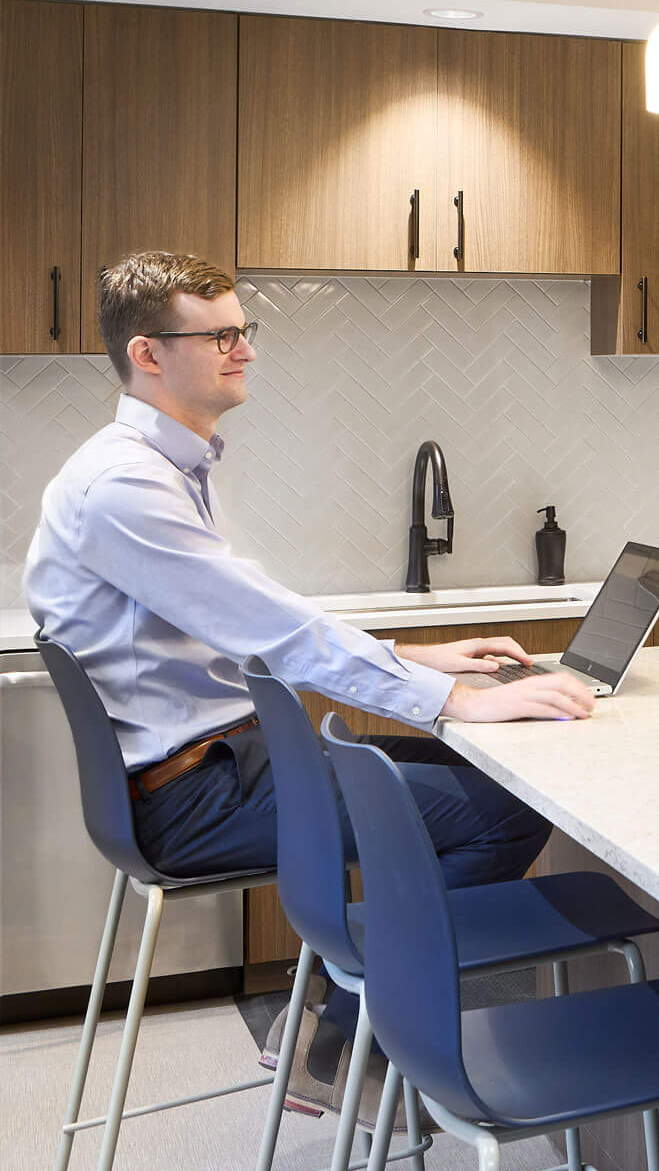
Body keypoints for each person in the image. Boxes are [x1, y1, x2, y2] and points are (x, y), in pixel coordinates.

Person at [24, 252, 592, 1094]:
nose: (244, 349)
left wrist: (412, 660)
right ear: (148, 353)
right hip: (195, 797)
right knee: (501, 814)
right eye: (219, 334)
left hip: (220, 764)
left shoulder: (162, 466)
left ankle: (331, 1017)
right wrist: (456, 699)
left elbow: (248, 620)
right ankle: (343, 1047)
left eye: (243, 329)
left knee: (491, 783)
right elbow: (275, 632)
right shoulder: (123, 487)